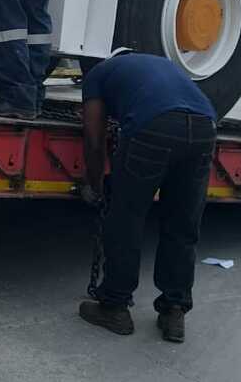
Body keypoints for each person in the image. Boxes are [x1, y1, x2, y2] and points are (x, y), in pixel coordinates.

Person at [78, 48, 218, 343]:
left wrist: (95, 183)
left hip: (154, 127)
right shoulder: (161, 66)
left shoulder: (99, 74)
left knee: (126, 219)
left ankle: (114, 306)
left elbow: (94, 139)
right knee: (181, 225)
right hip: (204, 127)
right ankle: (174, 311)